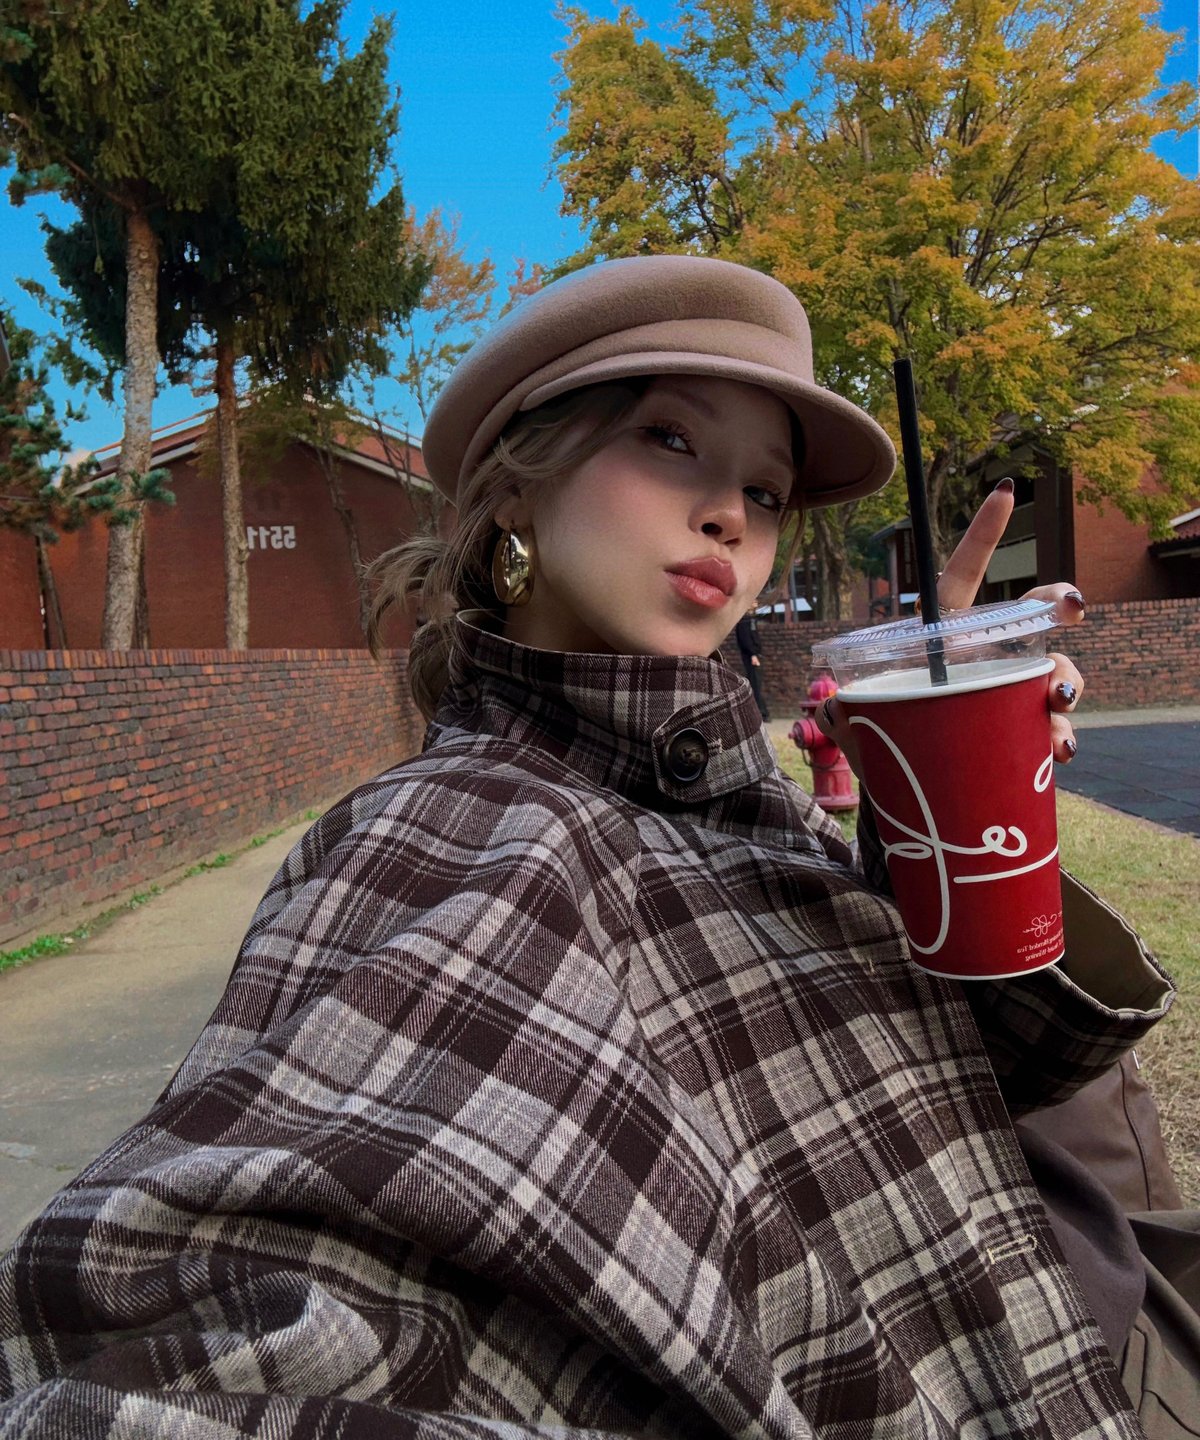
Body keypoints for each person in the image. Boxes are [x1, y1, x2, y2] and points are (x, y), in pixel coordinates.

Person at [0, 256, 1196, 1438]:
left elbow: (985, 1073)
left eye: (768, 493)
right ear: (519, 485)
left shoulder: (750, 800)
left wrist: (937, 829)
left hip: (1109, 1324)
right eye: (672, 440)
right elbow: (213, 1322)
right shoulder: (438, 830)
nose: (731, 510)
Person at [734, 609, 770, 720]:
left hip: (754, 654)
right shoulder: (745, 621)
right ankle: (761, 712)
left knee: (756, 683)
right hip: (752, 656)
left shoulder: (748, 620)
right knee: (755, 683)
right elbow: (746, 640)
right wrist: (753, 654)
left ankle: (762, 712)